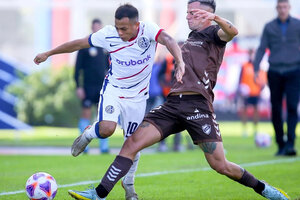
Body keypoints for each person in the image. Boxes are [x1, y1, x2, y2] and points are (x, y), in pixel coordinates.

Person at [67, 0, 290, 200]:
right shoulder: (189, 39)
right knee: (131, 143)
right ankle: (99, 194)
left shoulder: (215, 35)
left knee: (220, 165)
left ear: (207, 14)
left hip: (198, 106)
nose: (187, 16)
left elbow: (232, 31)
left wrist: (216, 19)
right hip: (173, 105)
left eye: (193, 13)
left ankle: (265, 190)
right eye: (187, 12)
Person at [34, 4, 184, 200]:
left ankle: (129, 186)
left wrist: (180, 61)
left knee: (133, 144)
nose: (119, 32)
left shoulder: (148, 30)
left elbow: (168, 39)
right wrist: (49, 53)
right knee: (106, 129)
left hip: (138, 98)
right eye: (117, 27)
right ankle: (89, 133)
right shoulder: (108, 34)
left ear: (136, 24)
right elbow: (78, 44)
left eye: (124, 28)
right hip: (113, 90)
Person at [253, 0, 300, 156]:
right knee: (276, 109)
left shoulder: (297, 25)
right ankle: (280, 143)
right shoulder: (270, 26)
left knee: (293, 107)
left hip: (294, 70)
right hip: (274, 71)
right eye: (279, 7)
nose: (282, 9)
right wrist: (255, 68)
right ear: (276, 8)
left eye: (285, 6)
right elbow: (261, 48)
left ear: (289, 8)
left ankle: (291, 144)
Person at [74, 18, 109, 154]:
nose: (97, 30)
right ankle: (84, 146)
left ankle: (104, 147)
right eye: (95, 28)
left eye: (99, 28)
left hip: (102, 87)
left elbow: (109, 68)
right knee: (86, 114)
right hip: (88, 87)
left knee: (102, 117)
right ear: (91, 28)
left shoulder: (106, 47)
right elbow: (77, 69)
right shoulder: (84, 47)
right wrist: (79, 86)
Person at [238, 48, 266, 137]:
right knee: (245, 110)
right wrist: (241, 89)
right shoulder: (244, 66)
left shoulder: (258, 66)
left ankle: (255, 129)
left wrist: (261, 88)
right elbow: (240, 79)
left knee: (256, 111)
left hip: (256, 92)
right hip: (246, 93)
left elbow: (262, 80)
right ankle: (244, 129)